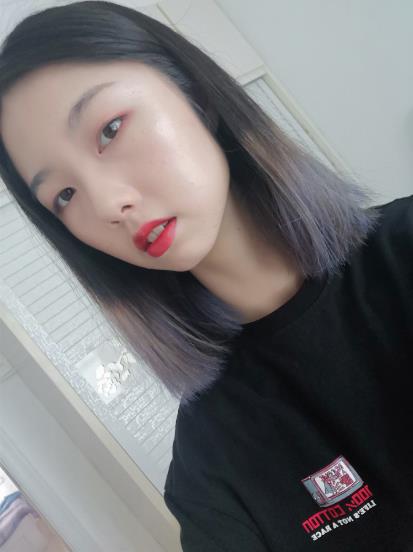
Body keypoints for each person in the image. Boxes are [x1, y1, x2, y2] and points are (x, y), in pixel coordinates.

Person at [0, 2, 411, 550]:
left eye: (110, 130)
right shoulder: (208, 467)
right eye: (64, 195)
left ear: (193, 92)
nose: (108, 204)